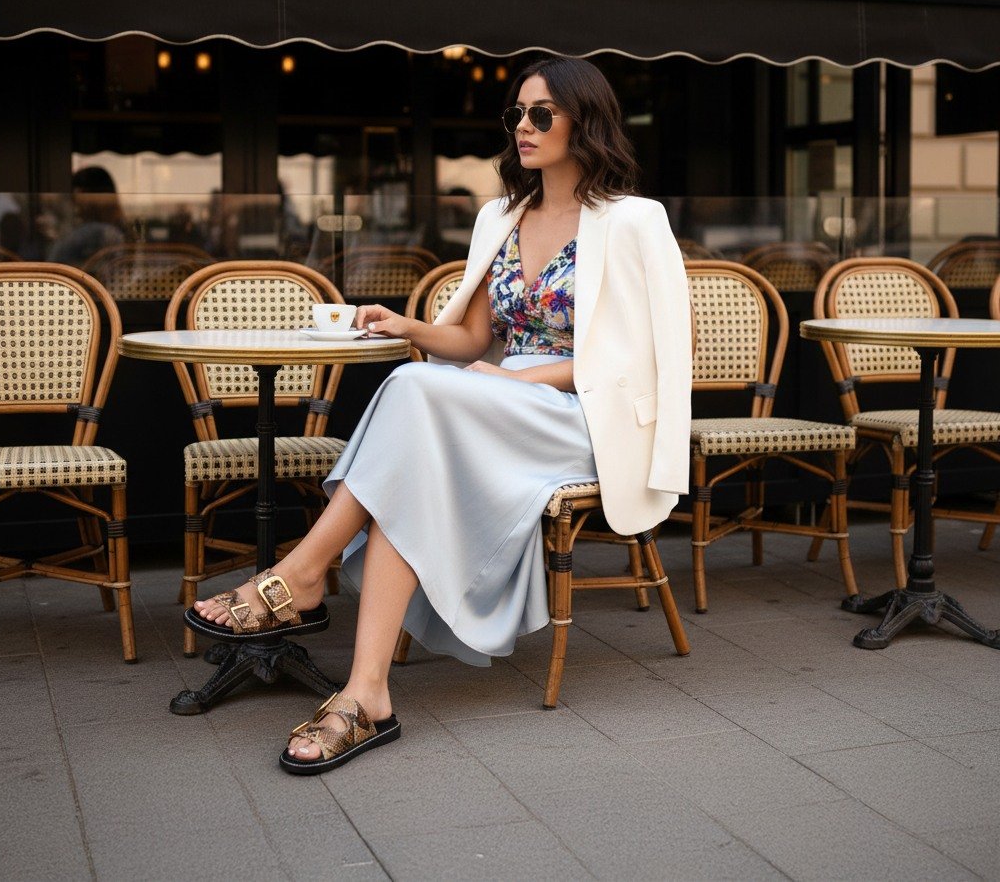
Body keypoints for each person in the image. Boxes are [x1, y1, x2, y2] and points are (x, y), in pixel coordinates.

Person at [189, 56, 693, 774]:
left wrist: (514, 378)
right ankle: (365, 692)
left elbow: (656, 354)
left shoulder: (636, 220)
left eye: (541, 113)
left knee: (418, 393)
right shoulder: (502, 216)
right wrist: (407, 326)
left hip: (581, 416)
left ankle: (300, 573)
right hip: (495, 399)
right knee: (416, 415)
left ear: (586, 121)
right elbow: (474, 339)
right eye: (516, 113)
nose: (523, 125)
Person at [48, 166, 126, 266]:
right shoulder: (117, 229)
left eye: (75, 195)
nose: (74, 204)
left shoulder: (91, 232)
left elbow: (54, 261)